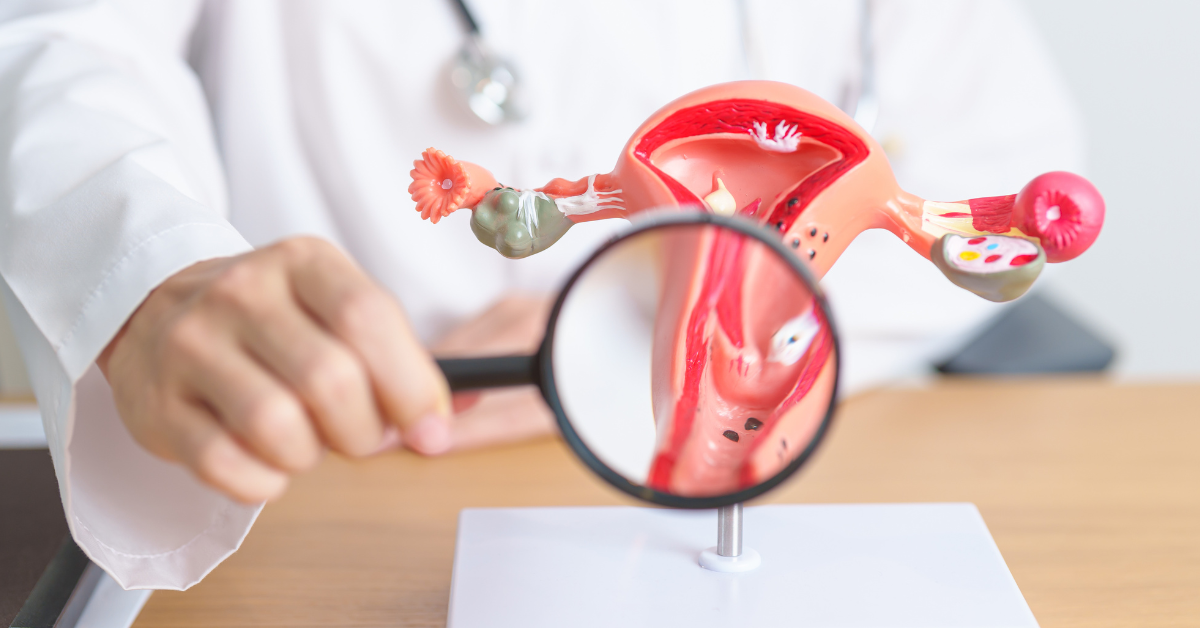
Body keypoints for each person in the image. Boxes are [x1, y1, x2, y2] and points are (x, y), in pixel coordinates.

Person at [0, 0, 1082, 589]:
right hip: (371, 455)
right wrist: (147, 269)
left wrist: (677, 309)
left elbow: (1007, 150)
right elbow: (65, 37)